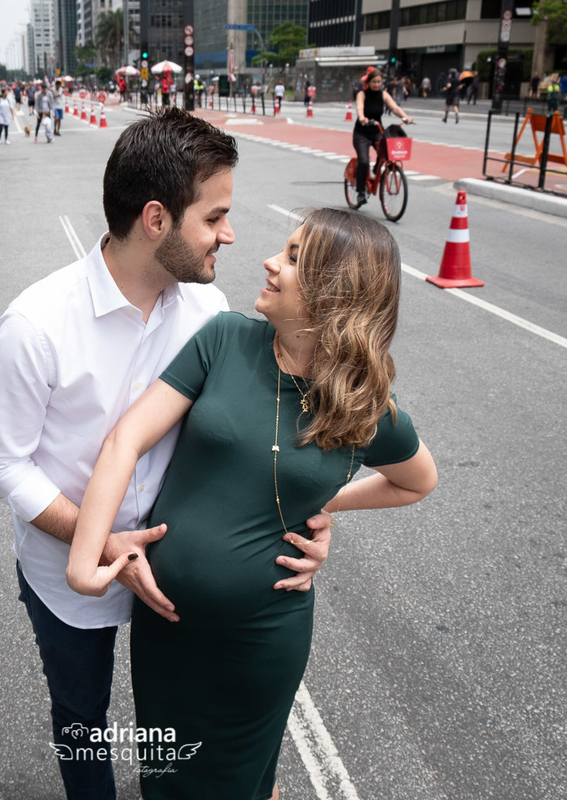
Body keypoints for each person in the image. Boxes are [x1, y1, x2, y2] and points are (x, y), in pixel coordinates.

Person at [0, 108, 333, 800]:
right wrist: (96, 536)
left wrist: (316, 521)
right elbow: (1, 460)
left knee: (183, 722)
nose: (230, 235)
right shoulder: (35, 327)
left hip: (180, 576)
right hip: (67, 577)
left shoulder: (211, 315)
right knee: (83, 719)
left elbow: (265, 438)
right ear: (157, 220)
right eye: (215, 216)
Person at [67, 207, 438, 800]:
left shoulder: (366, 409)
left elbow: (417, 481)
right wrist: (84, 561)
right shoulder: (225, 339)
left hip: (260, 640)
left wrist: (323, 505)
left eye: (293, 257)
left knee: (237, 783)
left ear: (335, 290)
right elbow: (125, 440)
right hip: (166, 628)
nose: (268, 262)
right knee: (163, 776)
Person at [353, 68, 413, 208]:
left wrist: (405, 117)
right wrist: (362, 118)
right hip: (361, 133)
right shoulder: (362, 94)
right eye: (374, 82)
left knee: (387, 151)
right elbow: (359, 107)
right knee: (363, 161)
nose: (377, 84)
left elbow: (395, 108)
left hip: (377, 132)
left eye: (379, 82)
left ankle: (376, 170)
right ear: (368, 82)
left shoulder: (383, 94)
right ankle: (361, 192)